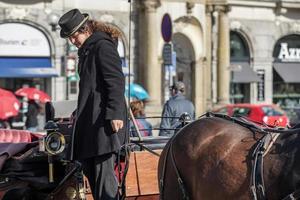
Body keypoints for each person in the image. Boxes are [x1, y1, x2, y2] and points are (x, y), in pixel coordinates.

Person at [58, 9, 127, 200]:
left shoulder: (102, 47)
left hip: (104, 126)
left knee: (104, 181)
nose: (72, 41)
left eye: (74, 36)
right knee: (93, 176)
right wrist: (77, 111)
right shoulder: (87, 51)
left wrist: (115, 113)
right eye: (69, 38)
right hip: (91, 125)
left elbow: (115, 81)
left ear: (85, 29)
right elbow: (91, 91)